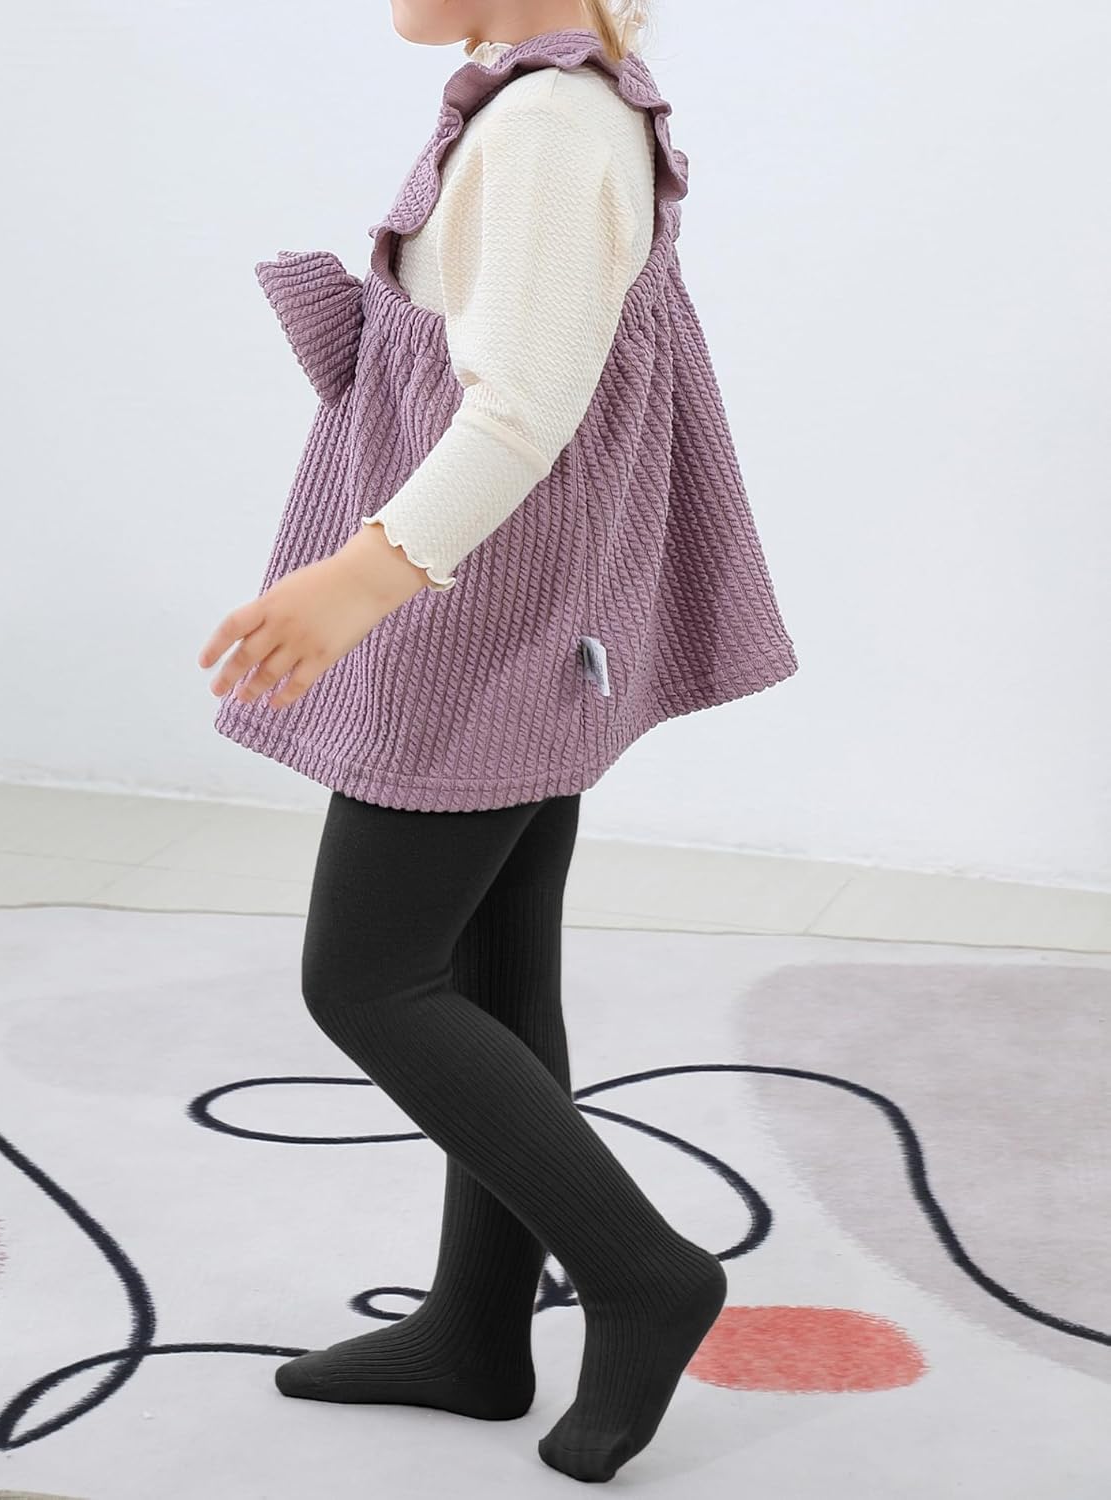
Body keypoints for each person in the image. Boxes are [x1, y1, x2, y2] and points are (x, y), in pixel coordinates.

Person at [197, 1, 798, 1483]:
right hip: (527, 605)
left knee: (366, 978)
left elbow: (520, 415)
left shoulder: (543, 130)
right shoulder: (561, 102)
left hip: (479, 616)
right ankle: (474, 1331)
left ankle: (642, 1270)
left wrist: (355, 581)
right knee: (491, 976)